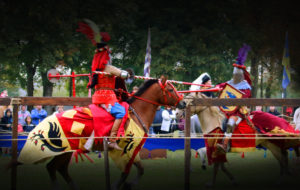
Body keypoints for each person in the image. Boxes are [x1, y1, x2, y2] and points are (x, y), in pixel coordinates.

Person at [79, 20, 131, 150]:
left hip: (99, 96)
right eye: (109, 54)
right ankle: (112, 139)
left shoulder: (96, 68)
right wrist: (129, 73)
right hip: (107, 98)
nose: (110, 57)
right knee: (121, 111)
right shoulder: (108, 68)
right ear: (105, 55)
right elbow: (123, 75)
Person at [216, 44, 252, 152]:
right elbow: (220, 86)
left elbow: (244, 97)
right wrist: (216, 88)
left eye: (237, 75)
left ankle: (225, 144)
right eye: (234, 75)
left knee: (230, 123)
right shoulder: (229, 83)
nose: (235, 77)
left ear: (241, 76)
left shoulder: (245, 86)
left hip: (238, 112)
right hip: (226, 110)